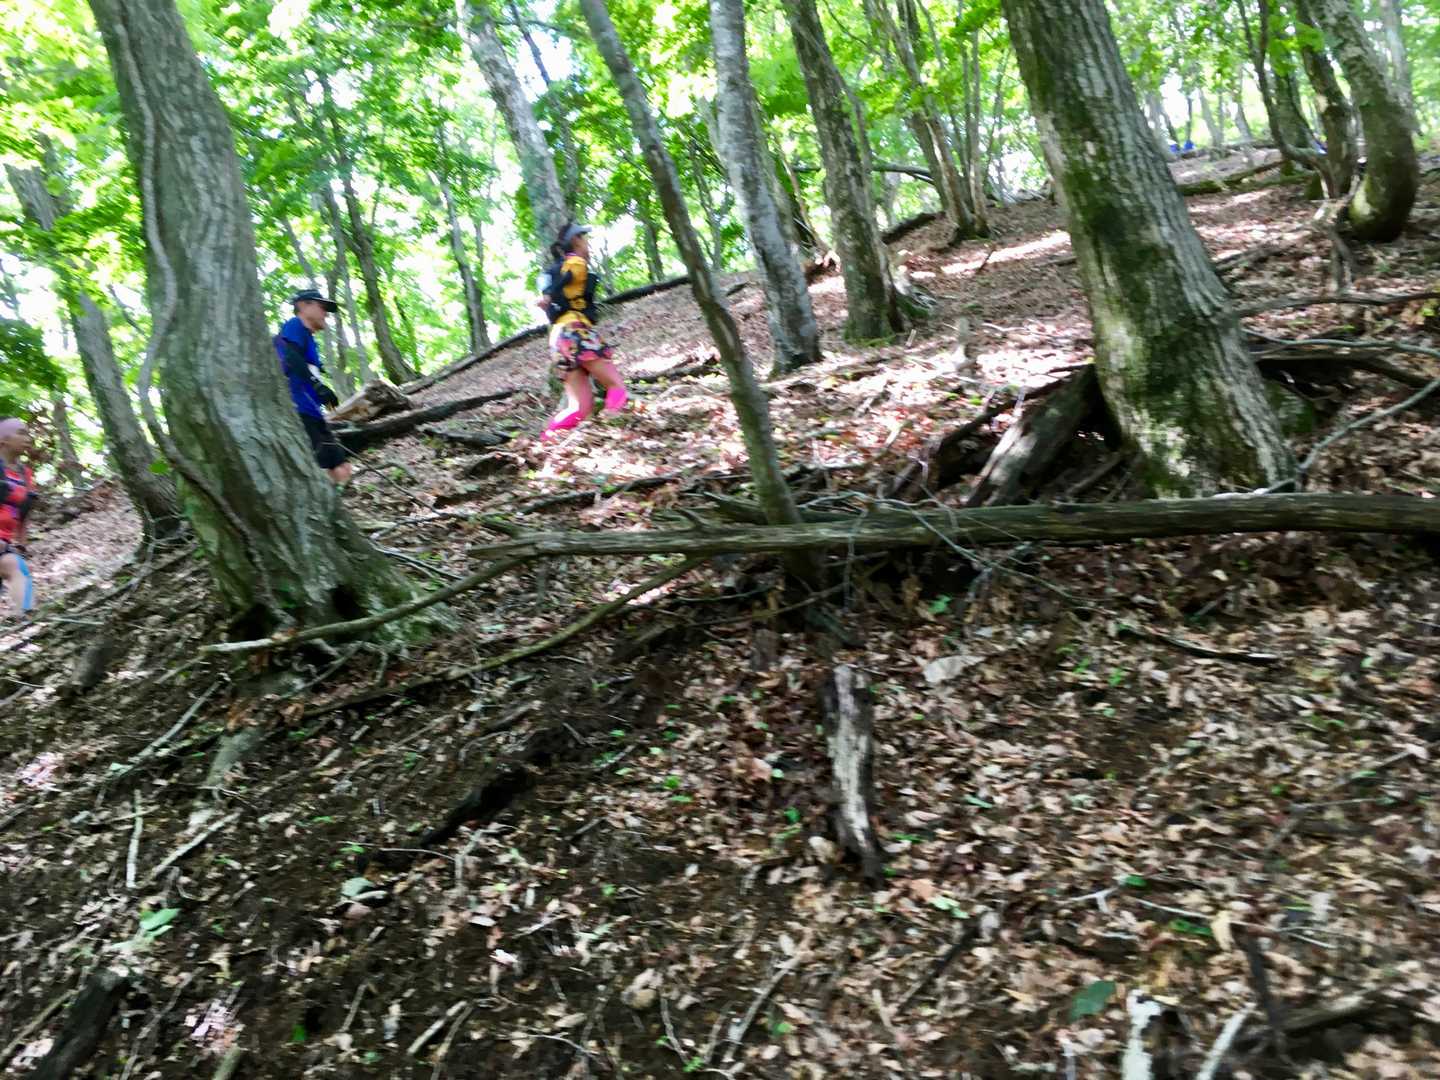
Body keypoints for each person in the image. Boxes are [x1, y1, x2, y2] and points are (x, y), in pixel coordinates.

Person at [537, 222, 628, 441]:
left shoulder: (552, 269)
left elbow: (556, 284)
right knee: (617, 388)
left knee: (580, 408)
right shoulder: (576, 262)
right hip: (577, 331)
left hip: (558, 338)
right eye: (585, 239)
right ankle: (611, 435)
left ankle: (545, 441)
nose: (588, 244)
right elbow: (567, 278)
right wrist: (549, 295)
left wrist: (547, 295)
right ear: (576, 240)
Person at [274, 289, 352, 483]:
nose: (326, 314)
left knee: (341, 468)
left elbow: (303, 368)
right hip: (299, 411)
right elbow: (291, 356)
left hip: (312, 411)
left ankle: (335, 498)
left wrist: (323, 392)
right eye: (322, 307)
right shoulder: (295, 325)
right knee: (327, 469)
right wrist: (318, 386)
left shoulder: (308, 338)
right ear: (303, 305)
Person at [0, 418, 37, 619]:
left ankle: (28, 621)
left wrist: (22, 543)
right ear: (3, 440)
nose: (28, 438)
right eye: (21, 433)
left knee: (17, 566)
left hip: (4, 543)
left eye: (28, 433)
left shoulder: (25, 474)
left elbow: (24, 510)